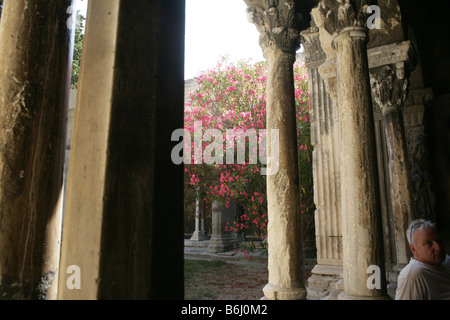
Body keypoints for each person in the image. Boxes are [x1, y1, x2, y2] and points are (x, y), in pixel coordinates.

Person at [395, 219, 450, 300]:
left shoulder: (446, 260)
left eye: (438, 240)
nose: (438, 247)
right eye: (428, 243)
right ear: (413, 249)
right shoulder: (413, 275)